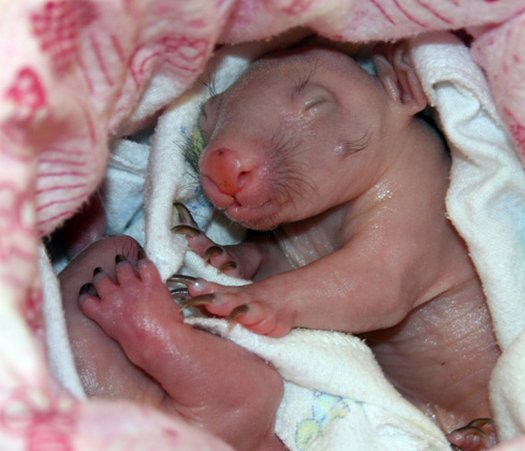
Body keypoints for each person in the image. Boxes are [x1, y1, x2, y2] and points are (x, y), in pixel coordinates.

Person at [60, 41, 499, 451]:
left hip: (484, 396)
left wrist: (269, 300)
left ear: (402, 89)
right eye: (214, 124)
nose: (225, 160)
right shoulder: (318, 204)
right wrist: (245, 262)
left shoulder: (413, 168)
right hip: (388, 411)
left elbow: (382, 283)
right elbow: (297, 270)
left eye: (314, 105)